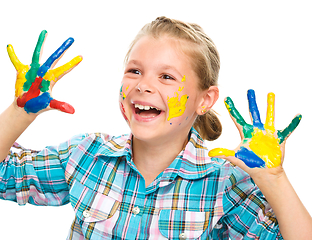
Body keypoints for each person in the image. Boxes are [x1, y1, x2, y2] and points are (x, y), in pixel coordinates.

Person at [0, 16, 311, 240]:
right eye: (134, 70)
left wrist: (275, 179)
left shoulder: (224, 181)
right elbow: (5, 176)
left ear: (205, 100)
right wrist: (19, 112)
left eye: (166, 77)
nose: (143, 85)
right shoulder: (86, 155)